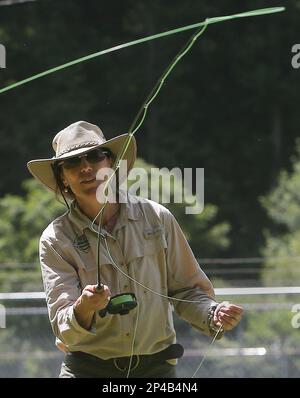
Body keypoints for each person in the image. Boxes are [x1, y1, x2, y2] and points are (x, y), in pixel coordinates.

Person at [27, 121, 243, 378]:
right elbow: (64, 328)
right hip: (87, 370)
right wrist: (84, 307)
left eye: (95, 156)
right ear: (62, 176)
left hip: (156, 370)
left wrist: (213, 313)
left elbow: (187, 290)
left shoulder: (157, 217)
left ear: (111, 164)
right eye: (72, 162)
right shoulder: (54, 239)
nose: (86, 167)